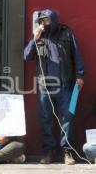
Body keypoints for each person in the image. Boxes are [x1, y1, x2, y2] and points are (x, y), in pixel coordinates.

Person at [24, 9, 85, 165]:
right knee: (46, 119)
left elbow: (76, 54)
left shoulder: (66, 33)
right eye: (42, 20)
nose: (44, 23)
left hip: (67, 85)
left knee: (68, 119)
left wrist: (80, 75)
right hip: (45, 87)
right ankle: (48, 152)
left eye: (47, 20)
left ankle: (67, 152)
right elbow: (26, 56)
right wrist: (34, 38)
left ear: (54, 20)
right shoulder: (39, 36)